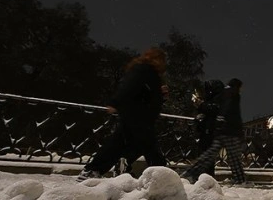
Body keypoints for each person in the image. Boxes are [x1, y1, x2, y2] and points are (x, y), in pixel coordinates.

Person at [77, 47, 169, 181]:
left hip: (138, 115)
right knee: (149, 146)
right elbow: (130, 87)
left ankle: (99, 168)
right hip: (139, 116)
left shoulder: (147, 71)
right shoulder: (145, 70)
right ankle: (162, 177)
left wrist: (159, 94)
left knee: (122, 144)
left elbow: (143, 92)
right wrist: (115, 102)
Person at [180, 78, 247, 185]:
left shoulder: (225, 93)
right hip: (229, 130)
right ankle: (240, 179)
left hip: (221, 130)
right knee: (234, 157)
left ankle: (190, 172)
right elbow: (229, 111)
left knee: (209, 154)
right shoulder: (232, 94)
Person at [193, 79, 225, 154]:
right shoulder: (211, 98)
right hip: (206, 129)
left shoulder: (220, 99)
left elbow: (213, 109)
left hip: (212, 130)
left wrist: (201, 104)